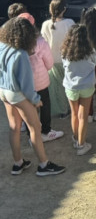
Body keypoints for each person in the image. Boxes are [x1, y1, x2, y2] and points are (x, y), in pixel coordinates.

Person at [0, 17, 66, 176]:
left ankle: (18, 163)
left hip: (3, 90)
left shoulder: (2, 46)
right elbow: (26, 85)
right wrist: (36, 101)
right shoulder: (21, 54)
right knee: (35, 128)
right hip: (18, 94)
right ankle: (44, 165)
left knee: (14, 127)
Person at [61, 24, 96, 156]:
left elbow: (64, 64)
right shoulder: (90, 51)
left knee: (74, 114)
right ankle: (82, 145)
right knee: (83, 116)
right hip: (87, 85)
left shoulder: (65, 52)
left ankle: (76, 138)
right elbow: (95, 63)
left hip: (71, 87)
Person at [41, 0, 75, 117]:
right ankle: (68, 108)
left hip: (51, 61)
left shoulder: (45, 24)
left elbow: (43, 43)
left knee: (56, 88)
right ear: (64, 9)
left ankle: (61, 110)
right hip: (67, 60)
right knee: (68, 86)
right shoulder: (70, 23)